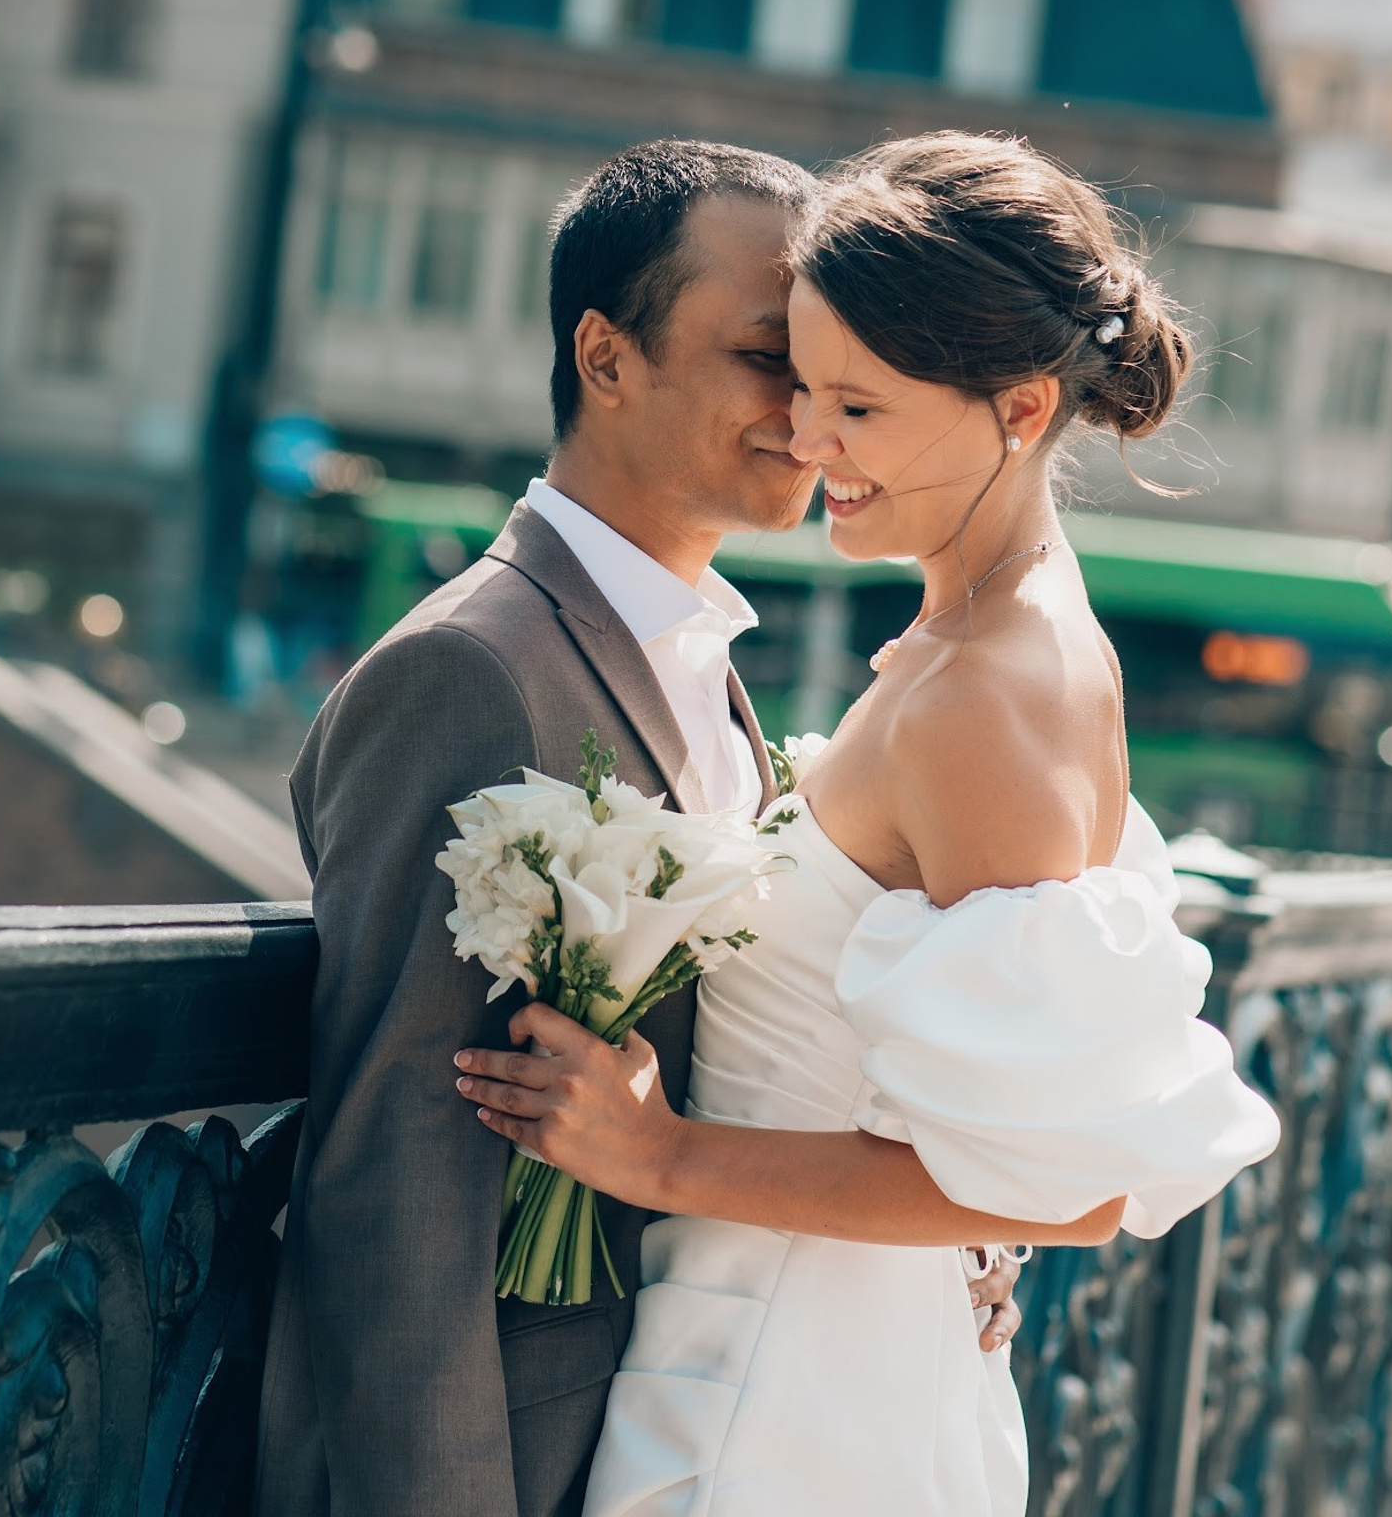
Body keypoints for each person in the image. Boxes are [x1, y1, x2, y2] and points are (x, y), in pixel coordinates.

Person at [454, 133, 1282, 1517]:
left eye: (859, 408)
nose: (806, 438)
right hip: (810, 1351)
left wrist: (664, 1157)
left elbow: (1061, 1190)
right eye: (800, 386)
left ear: (1019, 409)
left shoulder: (985, 693)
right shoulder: (998, 641)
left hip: (796, 1395)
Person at [255, 140, 1026, 1517]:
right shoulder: (471, 673)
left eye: (822, 368)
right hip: (529, 1455)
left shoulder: (701, 659)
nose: (808, 412)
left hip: (703, 1411)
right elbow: (388, 1183)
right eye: (762, 357)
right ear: (605, 358)